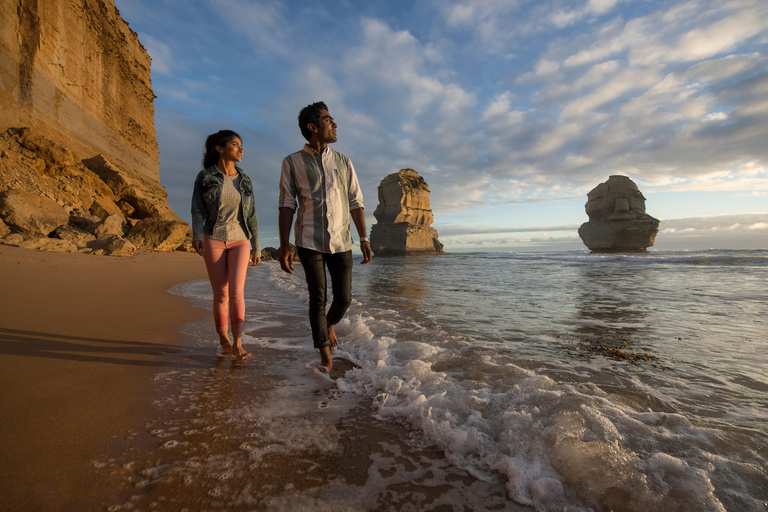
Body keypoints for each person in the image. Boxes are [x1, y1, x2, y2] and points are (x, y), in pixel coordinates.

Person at [278, 102, 372, 372]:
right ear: (313, 127)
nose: (335, 124)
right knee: (317, 299)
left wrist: (364, 238)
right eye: (329, 120)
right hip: (309, 240)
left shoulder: (343, 161)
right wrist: (285, 245)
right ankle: (325, 355)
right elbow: (287, 204)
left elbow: (356, 201)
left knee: (344, 298)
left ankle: (329, 323)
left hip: (342, 240)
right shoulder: (292, 162)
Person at [191, 130, 260, 360]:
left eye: (241, 145)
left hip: (241, 240)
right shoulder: (205, 177)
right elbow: (198, 209)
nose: (241, 149)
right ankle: (223, 338)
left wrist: (256, 247)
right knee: (220, 294)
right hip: (214, 238)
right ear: (220, 148)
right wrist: (197, 235)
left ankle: (239, 343)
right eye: (235, 144)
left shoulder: (246, 180)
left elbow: (251, 216)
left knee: (237, 293)